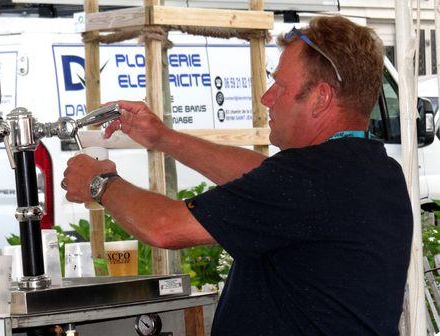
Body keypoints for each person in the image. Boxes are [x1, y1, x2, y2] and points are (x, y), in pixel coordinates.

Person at [62, 16, 412, 335]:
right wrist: (164, 138)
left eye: (280, 86)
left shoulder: (309, 179)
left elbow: (165, 227)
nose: (266, 97)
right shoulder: (374, 171)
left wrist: (99, 182)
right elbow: (261, 177)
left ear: (321, 99)